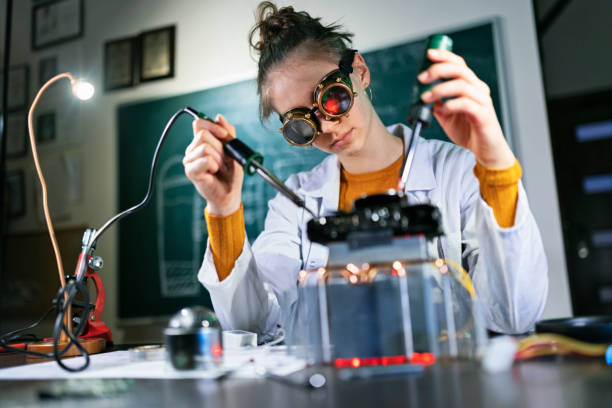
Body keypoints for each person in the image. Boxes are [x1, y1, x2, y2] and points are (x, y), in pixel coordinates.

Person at [182, 2, 548, 338]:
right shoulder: (295, 200)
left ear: (359, 71)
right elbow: (254, 328)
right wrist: (224, 208)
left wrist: (496, 163)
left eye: (332, 97)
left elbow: (513, 316)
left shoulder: (457, 170)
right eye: (301, 124)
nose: (326, 126)